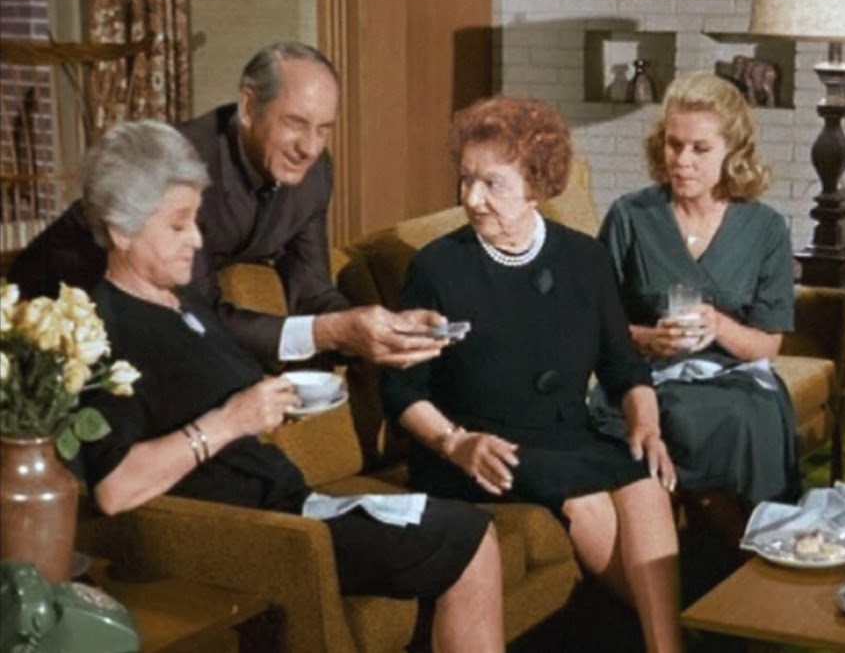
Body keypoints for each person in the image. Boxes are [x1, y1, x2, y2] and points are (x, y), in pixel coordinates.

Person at [76, 119, 503, 653]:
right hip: (259, 533)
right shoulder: (104, 330)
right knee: (467, 538)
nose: (198, 241)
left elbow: (223, 385)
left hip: (294, 503)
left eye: (197, 221)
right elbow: (115, 487)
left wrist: (273, 402)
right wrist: (229, 421)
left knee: (471, 527)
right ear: (120, 230)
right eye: (178, 226)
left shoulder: (182, 303)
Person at [381, 96, 683, 653]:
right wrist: (455, 443)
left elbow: (624, 365)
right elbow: (401, 391)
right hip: (478, 448)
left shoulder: (585, 260)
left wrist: (646, 424)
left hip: (564, 436)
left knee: (645, 486)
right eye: (466, 179)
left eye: (491, 184)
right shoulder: (437, 268)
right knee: (588, 501)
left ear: (537, 187)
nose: (472, 198)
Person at [8, 42, 447, 372]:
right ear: (249, 108)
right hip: (50, 311)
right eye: (295, 123)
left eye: (324, 129)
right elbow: (193, 313)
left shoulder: (314, 173)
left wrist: (379, 329)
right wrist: (330, 332)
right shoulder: (179, 166)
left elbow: (311, 290)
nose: (310, 148)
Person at [591, 73, 800, 509]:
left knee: (749, 416)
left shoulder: (765, 228)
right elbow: (594, 325)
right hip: (647, 378)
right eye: (674, 144)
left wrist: (719, 326)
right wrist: (651, 339)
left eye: (700, 149)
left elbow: (768, 345)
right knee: (689, 417)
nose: (682, 160)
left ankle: (749, 538)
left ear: (733, 152)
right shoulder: (631, 215)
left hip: (733, 377)